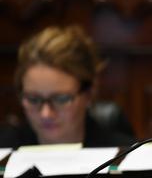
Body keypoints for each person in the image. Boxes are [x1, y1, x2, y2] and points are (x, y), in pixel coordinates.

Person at [0, 25, 134, 148]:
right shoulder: (4, 148)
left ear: (89, 93)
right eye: (33, 99)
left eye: (61, 99)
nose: (46, 114)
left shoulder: (126, 154)